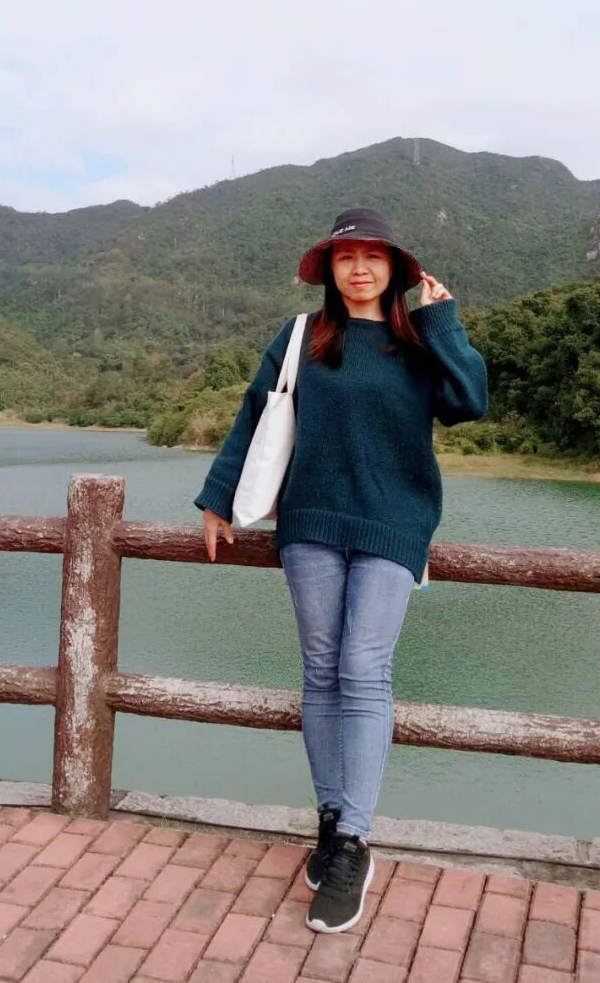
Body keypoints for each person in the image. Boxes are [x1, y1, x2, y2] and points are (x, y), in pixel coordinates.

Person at [193, 206, 488, 934]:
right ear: (330, 267)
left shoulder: (419, 343)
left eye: (373, 256)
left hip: (395, 522)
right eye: (346, 256)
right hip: (311, 522)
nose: (359, 268)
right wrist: (218, 497)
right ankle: (330, 820)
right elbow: (255, 414)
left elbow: (469, 402)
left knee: (363, 668)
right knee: (322, 667)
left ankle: (355, 840)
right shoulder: (302, 337)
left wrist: (444, 321)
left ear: (396, 269)